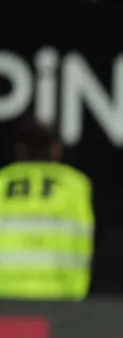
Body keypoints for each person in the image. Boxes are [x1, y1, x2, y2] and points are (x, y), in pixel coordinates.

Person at [0, 117, 94, 300]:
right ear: (55, 149)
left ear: (20, 149)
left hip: (5, 296)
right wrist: (77, 297)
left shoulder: (1, 182)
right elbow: (83, 247)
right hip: (58, 298)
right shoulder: (76, 185)